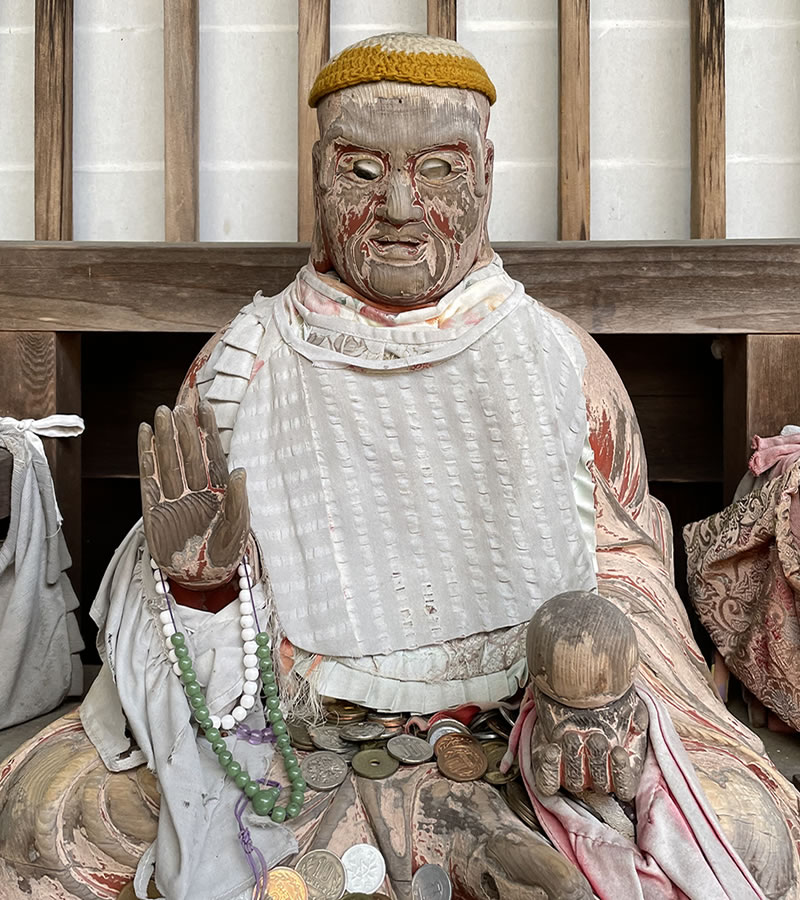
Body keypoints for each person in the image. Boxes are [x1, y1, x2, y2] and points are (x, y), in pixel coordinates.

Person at [0, 33, 797, 900]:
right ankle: (459, 857)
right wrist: (201, 592)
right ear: (319, 176)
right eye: (363, 172)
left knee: (745, 830)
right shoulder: (243, 363)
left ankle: (427, 851)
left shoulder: (559, 362)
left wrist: (593, 675)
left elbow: (624, 563)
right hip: (302, 724)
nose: (401, 208)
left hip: (514, 724)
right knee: (55, 812)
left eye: (441, 171)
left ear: (486, 173)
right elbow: (178, 599)